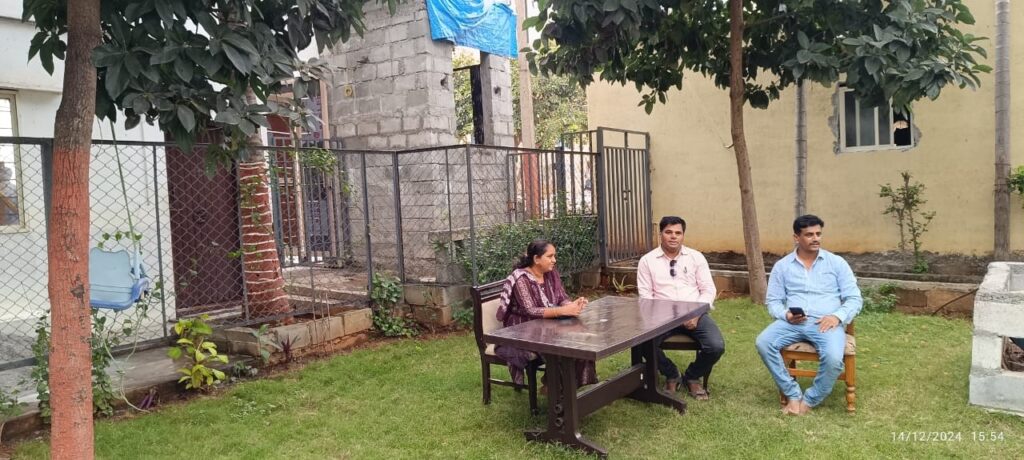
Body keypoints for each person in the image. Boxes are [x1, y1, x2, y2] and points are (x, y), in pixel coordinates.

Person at [755, 214, 863, 415]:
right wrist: (786, 315)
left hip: (825, 323)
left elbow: (854, 298)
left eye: (818, 234)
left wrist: (837, 317)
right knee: (764, 342)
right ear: (796, 237)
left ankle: (810, 400)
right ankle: (792, 393)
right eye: (809, 234)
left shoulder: (836, 263)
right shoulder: (782, 266)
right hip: (793, 322)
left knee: (833, 359)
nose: (816, 238)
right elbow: (773, 301)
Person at [635, 216, 724, 400]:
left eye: (678, 233)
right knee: (641, 343)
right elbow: (646, 296)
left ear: (683, 235)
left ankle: (692, 376)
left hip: (694, 312)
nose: (673, 236)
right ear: (660, 234)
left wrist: (696, 314)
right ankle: (671, 373)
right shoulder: (647, 261)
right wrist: (660, 318)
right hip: (660, 315)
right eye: (668, 232)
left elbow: (708, 289)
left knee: (716, 346)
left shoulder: (695, 257)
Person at [495, 239, 597, 388]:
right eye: (550, 256)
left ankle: (559, 386)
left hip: (547, 324)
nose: (554, 260)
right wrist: (562, 311)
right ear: (536, 259)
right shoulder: (521, 279)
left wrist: (572, 305)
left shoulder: (550, 273)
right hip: (523, 328)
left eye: (554, 256)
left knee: (579, 338)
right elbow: (530, 310)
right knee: (561, 344)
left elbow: (561, 298)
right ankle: (557, 388)